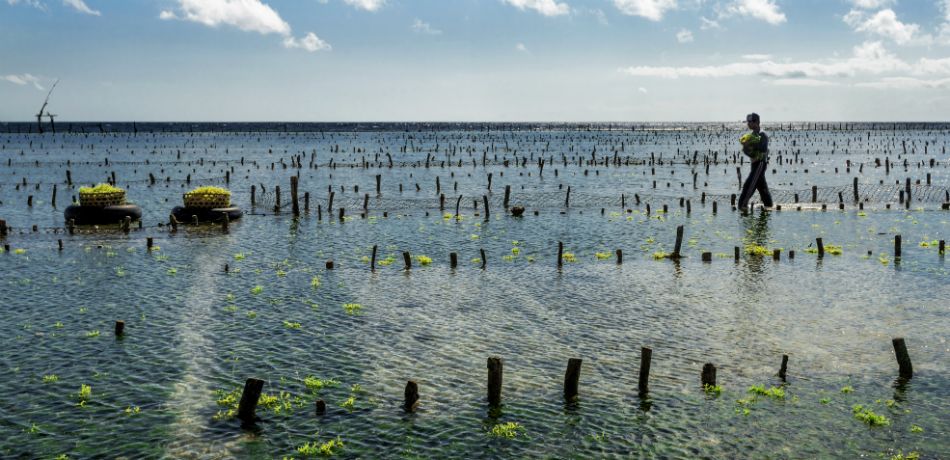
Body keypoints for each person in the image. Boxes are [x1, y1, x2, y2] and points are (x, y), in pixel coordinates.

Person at [738, 112, 773, 211]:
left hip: (760, 163)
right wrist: (746, 147)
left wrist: (749, 145)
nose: (748, 124)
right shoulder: (751, 135)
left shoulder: (762, 135)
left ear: (757, 122)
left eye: (750, 121)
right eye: (747, 121)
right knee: (762, 188)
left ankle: (742, 206)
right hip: (754, 164)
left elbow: (762, 149)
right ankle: (769, 205)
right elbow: (748, 152)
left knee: (749, 185)